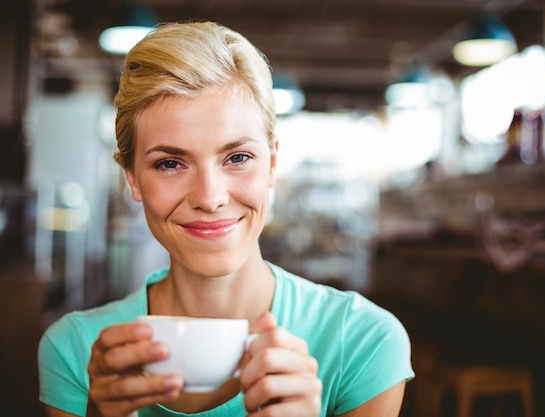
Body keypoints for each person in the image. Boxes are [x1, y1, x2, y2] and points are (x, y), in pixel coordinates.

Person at [38, 20, 414, 417]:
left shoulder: (361, 341)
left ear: (271, 165)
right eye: (170, 163)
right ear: (132, 178)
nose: (210, 197)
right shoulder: (76, 351)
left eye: (237, 158)